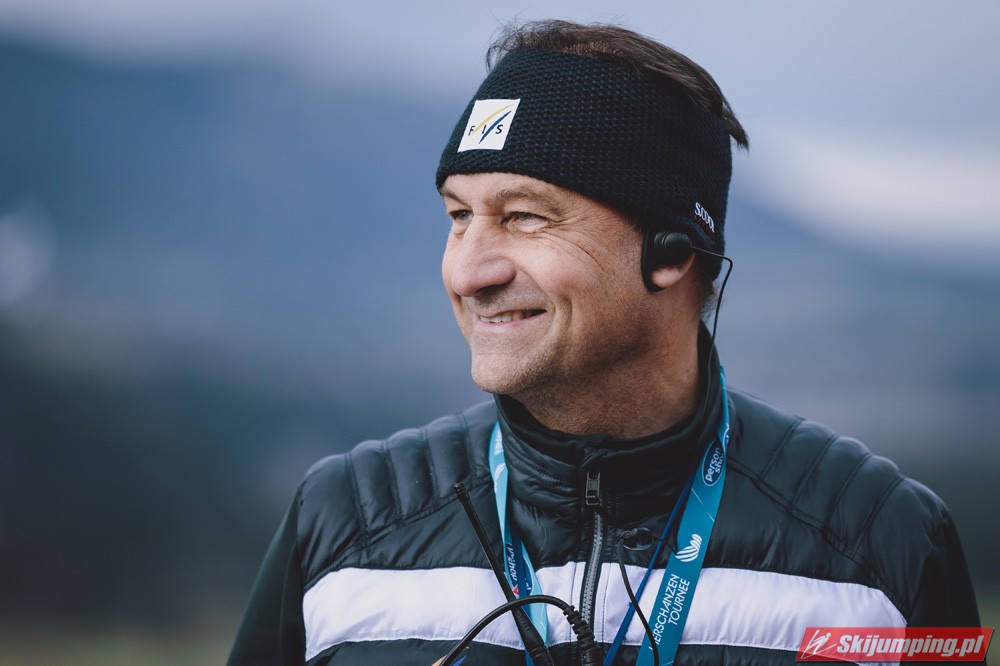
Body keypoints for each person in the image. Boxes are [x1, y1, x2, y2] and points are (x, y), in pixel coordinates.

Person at [227, 20, 980, 666]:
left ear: (671, 252)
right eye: (459, 216)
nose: (468, 271)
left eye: (524, 216)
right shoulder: (343, 525)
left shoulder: (883, 544)